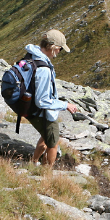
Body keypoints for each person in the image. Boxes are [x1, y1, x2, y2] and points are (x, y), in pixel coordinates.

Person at [24, 29, 79, 166]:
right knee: (53, 144)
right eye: (60, 49)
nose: (60, 52)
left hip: (31, 106)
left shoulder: (32, 55)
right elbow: (42, 101)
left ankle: (33, 162)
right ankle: (47, 174)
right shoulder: (44, 69)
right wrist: (65, 105)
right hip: (44, 111)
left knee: (44, 138)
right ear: (54, 48)